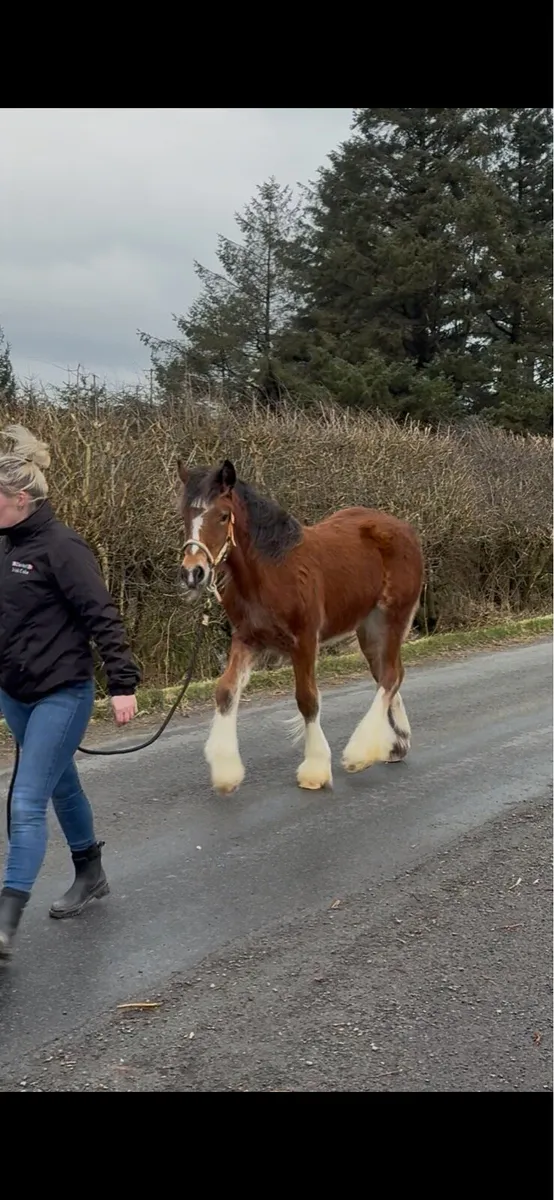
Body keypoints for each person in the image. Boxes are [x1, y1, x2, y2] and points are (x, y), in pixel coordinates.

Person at [0, 424, 141, 958]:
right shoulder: (6, 547)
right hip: (14, 692)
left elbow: (100, 614)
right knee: (60, 786)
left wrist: (122, 684)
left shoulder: (63, 547)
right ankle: (91, 872)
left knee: (27, 799)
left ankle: (6, 919)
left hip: (62, 691)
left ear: (19, 499)